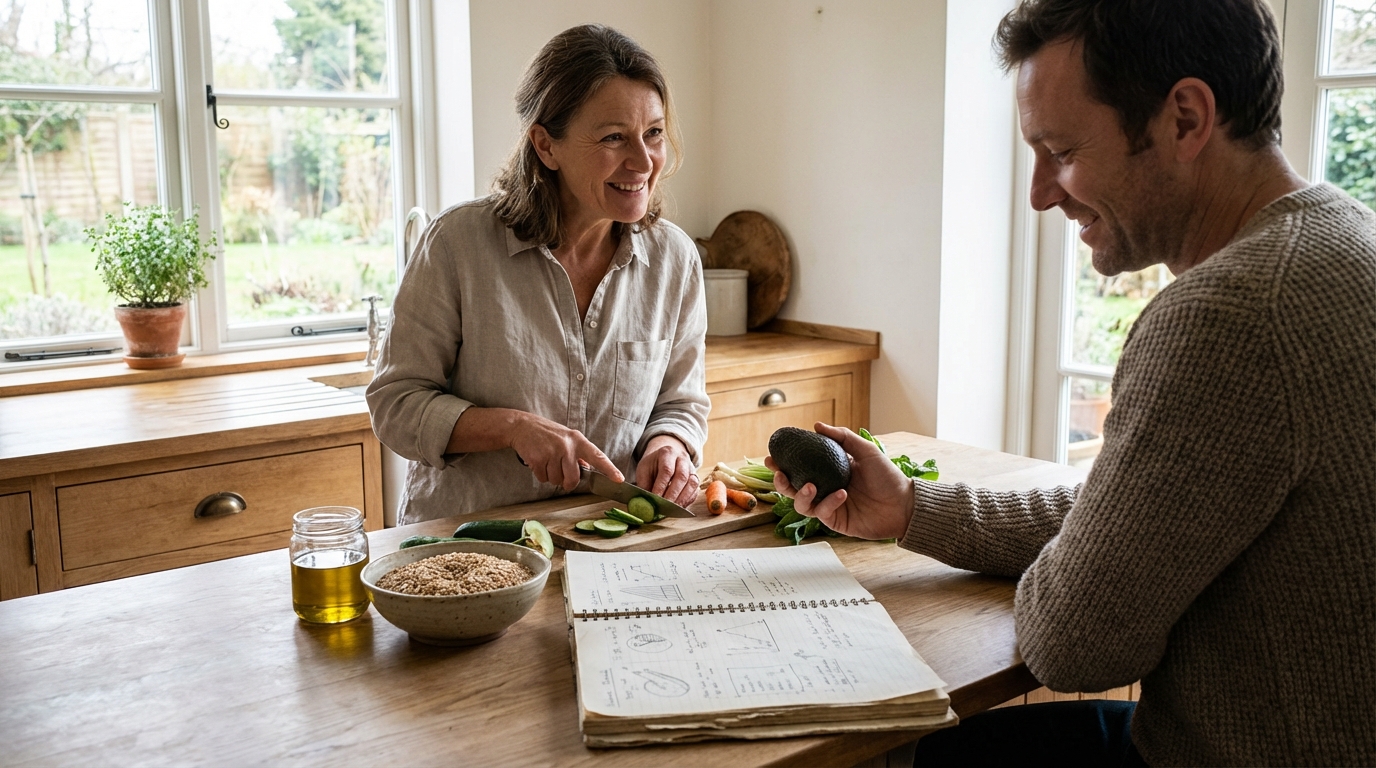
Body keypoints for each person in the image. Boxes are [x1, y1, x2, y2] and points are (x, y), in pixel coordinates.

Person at [771, 1, 1376, 765]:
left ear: (1186, 118)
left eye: (1058, 150)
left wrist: (1086, 565)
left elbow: (1072, 645)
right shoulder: (1345, 237)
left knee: (888, 755)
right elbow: (1137, 512)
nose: (1039, 193)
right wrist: (916, 510)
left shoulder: (1228, 317)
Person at [368, 25, 709, 524]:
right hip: (466, 545)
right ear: (546, 146)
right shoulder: (457, 245)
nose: (643, 161)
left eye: (653, 133)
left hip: (610, 540)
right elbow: (394, 406)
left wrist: (670, 443)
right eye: (614, 137)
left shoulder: (675, 260)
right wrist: (512, 428)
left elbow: (681, 401)